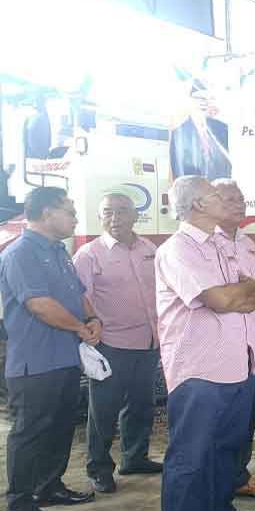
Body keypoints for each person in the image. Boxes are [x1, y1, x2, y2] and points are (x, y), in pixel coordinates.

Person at [156, 175, 255, 511]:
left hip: (237, 362)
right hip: (199, 368)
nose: (226, 199)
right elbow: (220, 299)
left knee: (226, 446)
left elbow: (254, 291)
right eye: (217, 195)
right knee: (190, 454)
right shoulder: (177, 250)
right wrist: (238, 295)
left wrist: (242, 294)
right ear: (199, 205)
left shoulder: (222, 244)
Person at [1, 187, 98, 511]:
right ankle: (19, 503)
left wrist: (92, 320)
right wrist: (80, 328)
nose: (74, 217)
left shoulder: (59, 252)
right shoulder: (21, 253)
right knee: (30, 432)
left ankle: (49, 487)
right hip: (35, 363)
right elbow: (38, 304)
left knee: (60, 427)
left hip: (65, 358)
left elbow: (78, 294)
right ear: (46, 213)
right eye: (69, 211)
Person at [72, 193, 161, 495]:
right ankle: (99, 468)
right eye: (108, 212)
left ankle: (134, 458)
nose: (115, 218)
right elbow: (81, 297)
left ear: (136, 216)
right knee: (104, 411)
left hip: (148, 343)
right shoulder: (89, 254)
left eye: (122, 211)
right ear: (101, 217)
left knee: (141, 405)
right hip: (110, 344)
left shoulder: (149, 249)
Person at [212, 179, 255, 498]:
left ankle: (238, 477)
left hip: (251, 345)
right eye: (229, 200)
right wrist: (244, 293)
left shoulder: (247, 243)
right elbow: (224, 299)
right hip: (222, 347)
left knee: (244, 418)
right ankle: (220, 483)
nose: (239, 204)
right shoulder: (206, 245)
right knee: (221, 422)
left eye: (241, 199)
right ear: (210, 203)